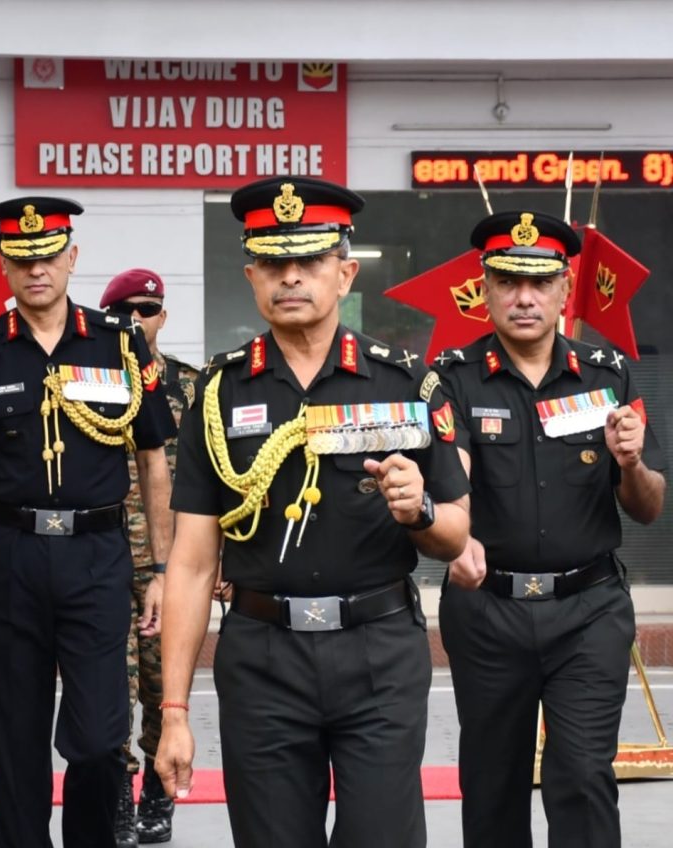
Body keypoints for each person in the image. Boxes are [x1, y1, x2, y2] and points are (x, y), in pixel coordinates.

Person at [154, 175, 471, 848]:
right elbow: (189, 563)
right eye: (273, 262)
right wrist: (173, 711)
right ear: (250, 275)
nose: (290, 276)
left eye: (309, 260)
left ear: (345, 272)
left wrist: (418, 510)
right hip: (263, 658)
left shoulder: (406, 384)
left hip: (379, 654)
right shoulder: (216, 393)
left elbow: (456, 533)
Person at [0, 197, 176, 848]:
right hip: (6, 555)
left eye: (47, 256)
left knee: (99, 738)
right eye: (21, 258)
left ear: (71, 257)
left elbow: (154, 460)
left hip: (97, 557)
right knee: (15, 742)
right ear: (6, 267)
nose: (36, 269)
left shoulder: (120, 345)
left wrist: (160, 568)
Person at [433, 210, 667, 848]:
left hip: (589, 611)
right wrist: (458, 537)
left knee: (583, 775)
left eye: (541, 283)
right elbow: (448, 479)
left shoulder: (608, 374)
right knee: (492, 783)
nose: (525, 297)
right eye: (508, 281)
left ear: (567, 288)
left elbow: (648, 505)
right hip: (488, 613)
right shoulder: (450, 378)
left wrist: (632, 461)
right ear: (485, 290)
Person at [99, 268, 199, 847]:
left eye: (150, 310)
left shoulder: (192, 386)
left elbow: (217, 480)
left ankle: (158, 801)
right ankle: (117, 800)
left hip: (175, 568)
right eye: (128, 311)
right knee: (111, 690)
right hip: (108, 561)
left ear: (163, 317)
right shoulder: (94, 384)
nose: (140, 320)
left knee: (166, 691)